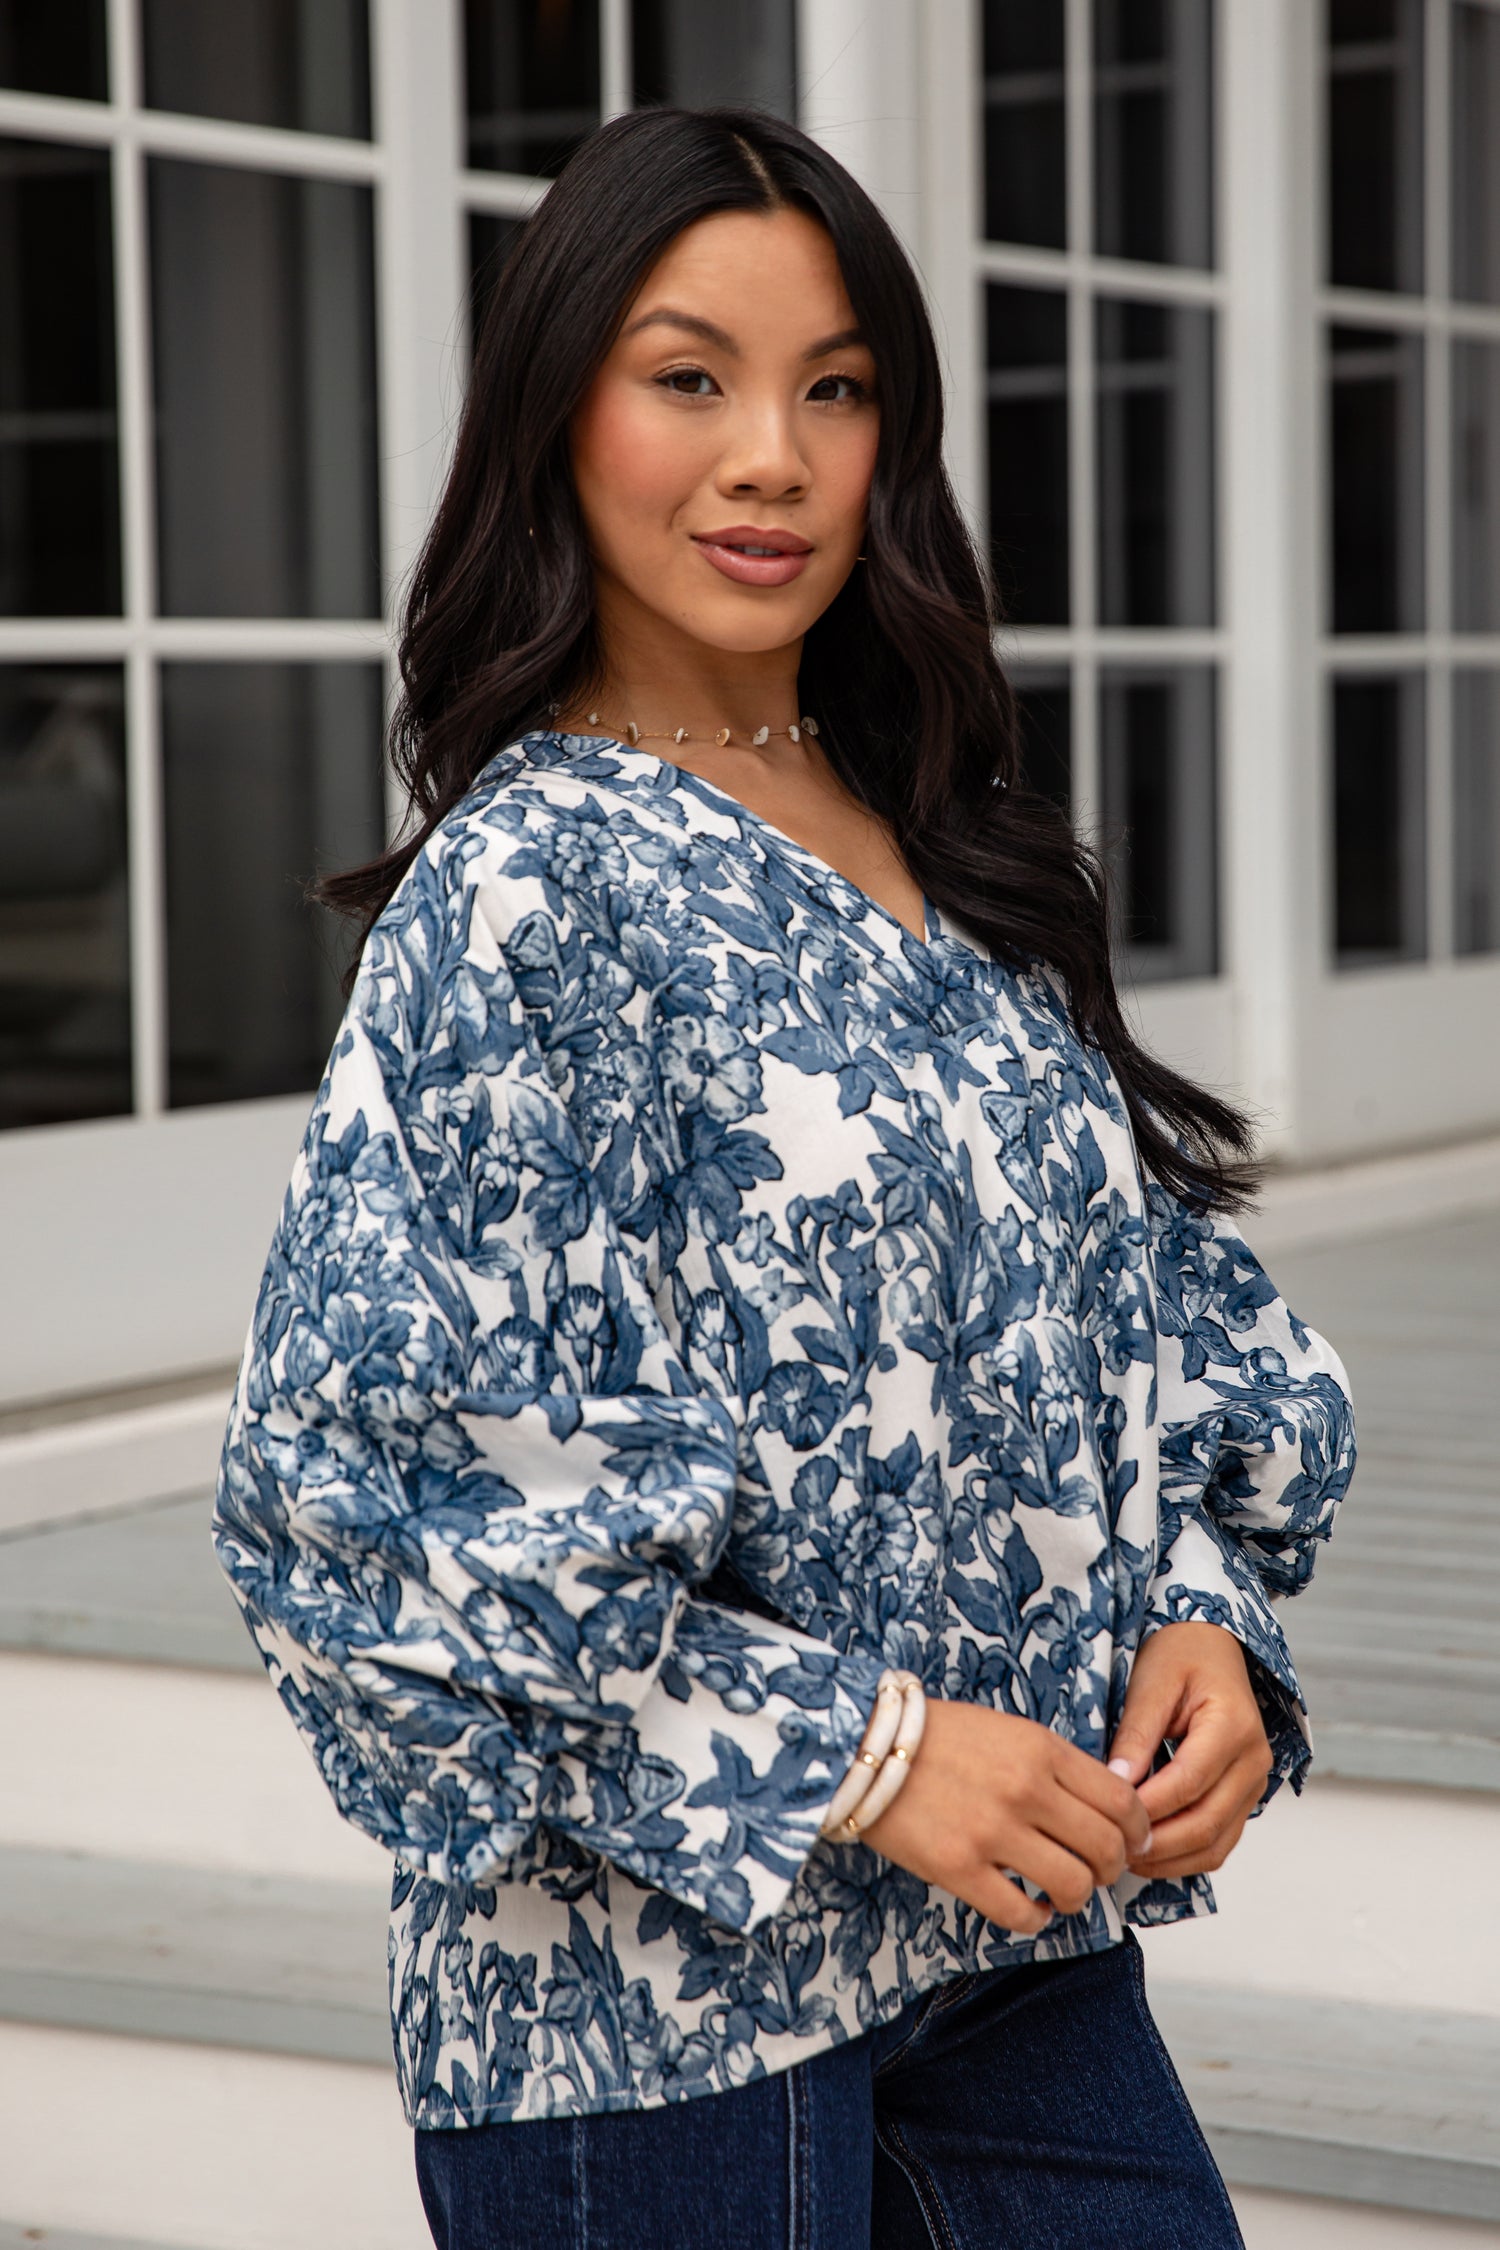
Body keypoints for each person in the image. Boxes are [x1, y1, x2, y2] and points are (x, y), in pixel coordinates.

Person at [214, 106, 1354, 2250]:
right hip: (648, 2027)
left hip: (1019, 1956)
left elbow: (1130, 1308)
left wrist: (1200, 1600)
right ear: (559, 414)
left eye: (836, 389)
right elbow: (357, 1503)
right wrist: (864, 1752)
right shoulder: (527, 895)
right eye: (691, 378)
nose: (773, 456)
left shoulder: (951, 836)